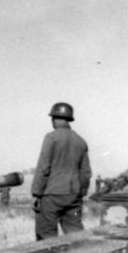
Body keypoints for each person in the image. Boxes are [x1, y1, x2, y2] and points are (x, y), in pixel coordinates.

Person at [31, 102, 92, 241]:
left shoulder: (51, 137)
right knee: (76, 236)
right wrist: (80, 193)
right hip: (74, 196)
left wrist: (36, 193)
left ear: (54, 118)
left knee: (46, 237)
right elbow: (85, 172)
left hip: (52, 195)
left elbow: (43, 168)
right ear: (69, 119)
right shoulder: (80, 141)